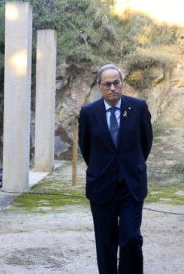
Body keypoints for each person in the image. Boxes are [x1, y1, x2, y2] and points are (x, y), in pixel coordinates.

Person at [78, 64, 153, 274]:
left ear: (122, 84)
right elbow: (86, 148)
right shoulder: (88, 112)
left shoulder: (138, 108)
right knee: (105, 242)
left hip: (131, 185)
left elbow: (146, 142)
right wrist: (103, 168)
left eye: (116, 83)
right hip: (101, 185)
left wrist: (130, 165)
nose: (112, 88)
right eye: (107, 84)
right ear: (100, 87)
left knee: (130, 238)